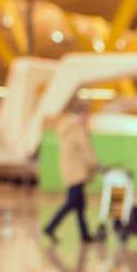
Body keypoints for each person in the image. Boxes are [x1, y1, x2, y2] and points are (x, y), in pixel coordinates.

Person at [43, 102, 99, 244]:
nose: (88, 118)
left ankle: (85, 235)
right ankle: (50, 227)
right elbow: (86, 150)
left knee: (80, 205)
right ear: (82, 114)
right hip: (77, 172)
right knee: (71, 203)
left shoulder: (66, 128)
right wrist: (95, 164)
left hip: (70, 170)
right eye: (87, 115)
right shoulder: (77, 130)